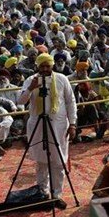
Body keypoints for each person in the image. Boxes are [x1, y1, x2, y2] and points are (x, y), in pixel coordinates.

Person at [18, 52, 76, 209]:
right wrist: (30, 88)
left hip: (58, 126)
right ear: (37, 66)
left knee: (58, 162)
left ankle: (57, 195)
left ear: (52, 66)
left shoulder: (62, 79)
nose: (44, 69)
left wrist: (73, 124)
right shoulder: (31, 80)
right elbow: (20, 101)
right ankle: (43, 193)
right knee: (41, 161)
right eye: (41, 66)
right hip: (37, 125)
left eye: (47, 66)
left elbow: (71, 102)